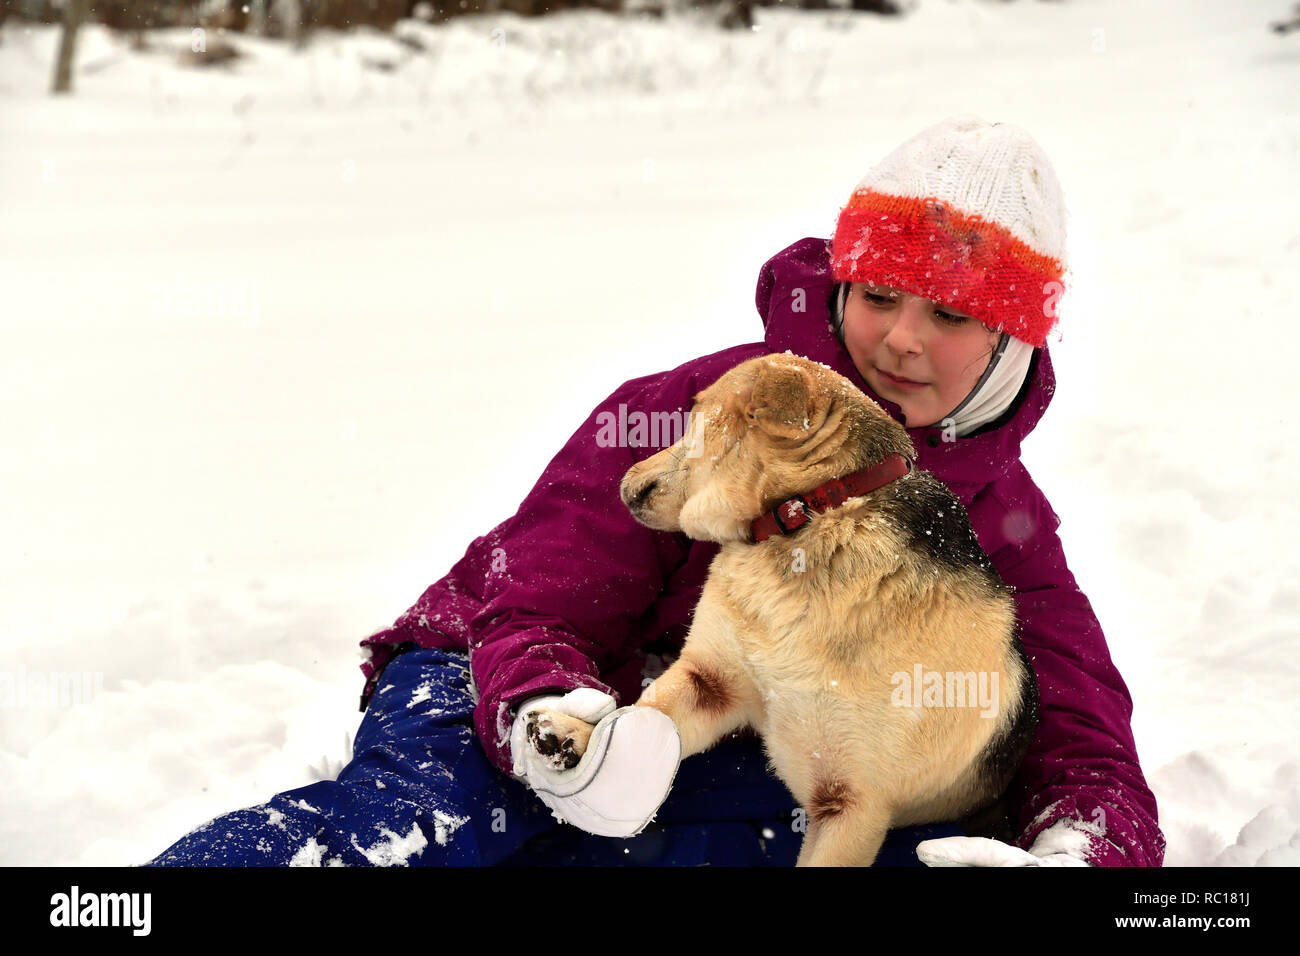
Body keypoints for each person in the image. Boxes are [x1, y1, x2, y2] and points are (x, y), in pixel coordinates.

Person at [144, 116, 1165, 867]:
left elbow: (1080, 741)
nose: (900, 338)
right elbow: (538, 596)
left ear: (1009, 339)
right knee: (416, 832)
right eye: (880, 294)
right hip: (499, 670)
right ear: (842, 286)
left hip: (724, 730)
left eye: (949, 313)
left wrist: (1082, 851)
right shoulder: (690, 408)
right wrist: (559, 722)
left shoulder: (996, 523)